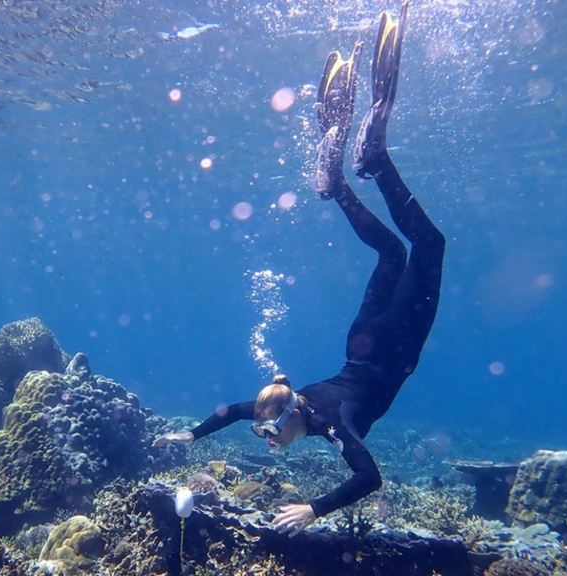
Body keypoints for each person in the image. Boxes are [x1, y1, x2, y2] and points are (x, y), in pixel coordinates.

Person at [154, 2, 445, 537]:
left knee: (429, 242)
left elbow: (369, 478)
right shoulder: (292, 405)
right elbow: (235, 411)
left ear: (289, 415)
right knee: (394, 254)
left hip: (390, 345)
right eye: (266, 434)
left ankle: (374, 162)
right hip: (362, 341)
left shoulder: (332, 425)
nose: (267, 441)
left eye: (268, 433)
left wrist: (315, 509)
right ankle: (337, 188)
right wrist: (191, 439)